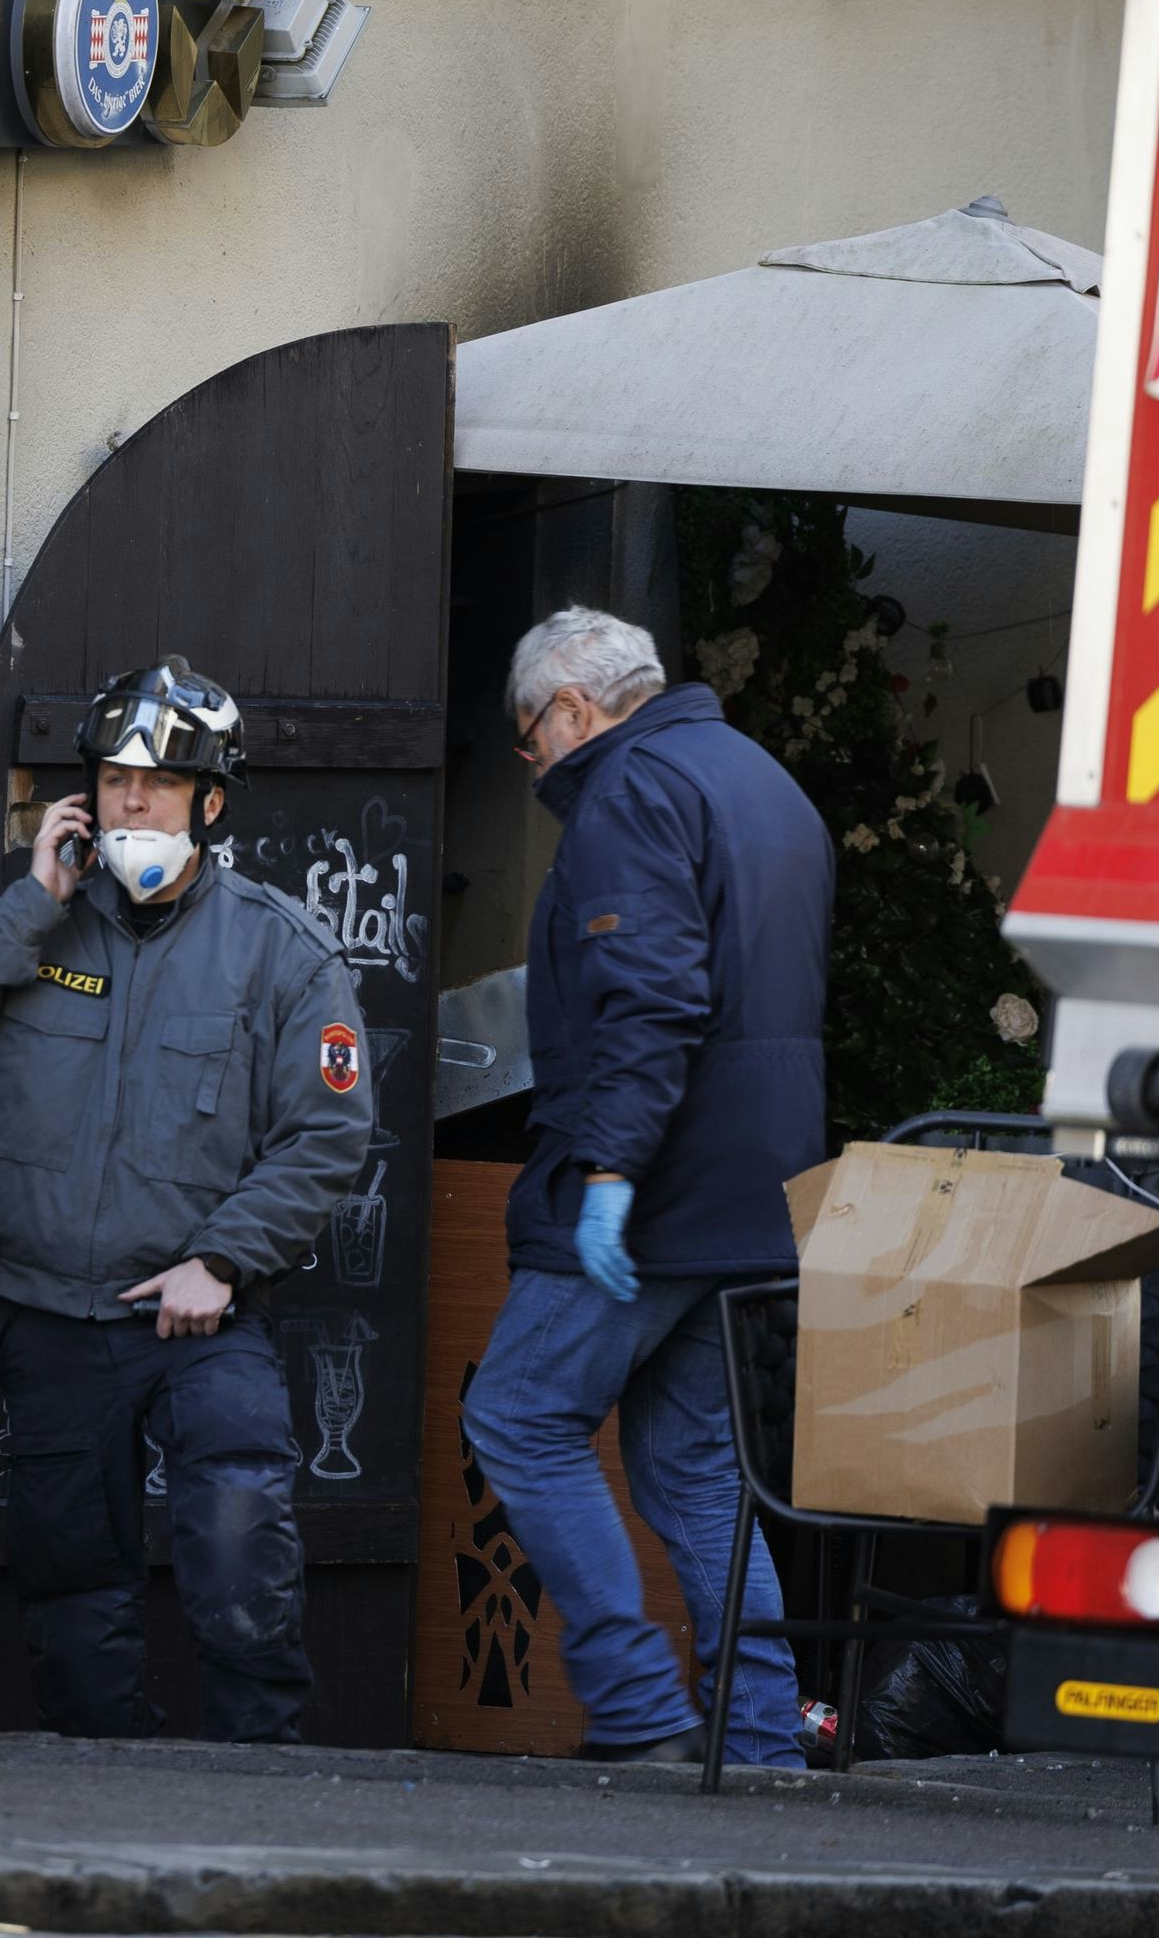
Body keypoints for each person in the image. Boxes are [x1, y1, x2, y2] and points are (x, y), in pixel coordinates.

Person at [0, 657, 371, 1742]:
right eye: (112, 781)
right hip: (53, 1316)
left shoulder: (280, 951)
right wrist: (32, 902)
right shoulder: (39, 928)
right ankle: (103, 1800)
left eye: (156, 784)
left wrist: (225, 1259)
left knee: (239, 1549)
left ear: (211, 801)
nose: (130, 802)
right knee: (71, 1598)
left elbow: (328, 1130)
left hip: (201, 1313)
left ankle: (261, 1786)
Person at [458, 606, 830, 1766]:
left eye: (529, 740)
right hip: (760, 1193)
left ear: (572, 710)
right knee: (703, 1474)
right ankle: (761, 1740)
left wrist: (610, 1171)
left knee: (517, 1414)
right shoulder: (762, 780)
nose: (534, 767)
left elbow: (655, 1005)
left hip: (659, 1193)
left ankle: (634, 1706)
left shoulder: (628, 791)